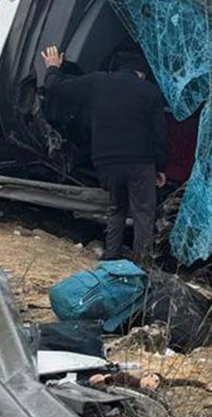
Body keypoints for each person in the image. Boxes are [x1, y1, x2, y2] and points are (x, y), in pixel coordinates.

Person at [42, 46, 167, 266]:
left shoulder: (98, 82)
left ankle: (111, 258)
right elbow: (160, 135)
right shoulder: (150, 92)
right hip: (140, 161)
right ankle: (141, 265)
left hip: (106, 161)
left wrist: (53, 68)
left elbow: (55, 87)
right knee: (143, 214)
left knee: (117, 209)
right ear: (141, 73)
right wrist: (160, 167)